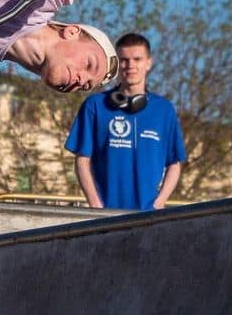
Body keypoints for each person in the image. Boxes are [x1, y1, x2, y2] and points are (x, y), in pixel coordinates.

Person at [65, 32, 186, 210]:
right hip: (105, 215)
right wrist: (95, 204)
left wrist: (159, 203)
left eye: (137, 59)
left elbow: (174, 163)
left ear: (148, 63)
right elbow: (82, 160)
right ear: (117, 63)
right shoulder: (95, 106)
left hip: (148, 216)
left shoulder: (164, 110)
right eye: (124, 60)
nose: (130, 66)